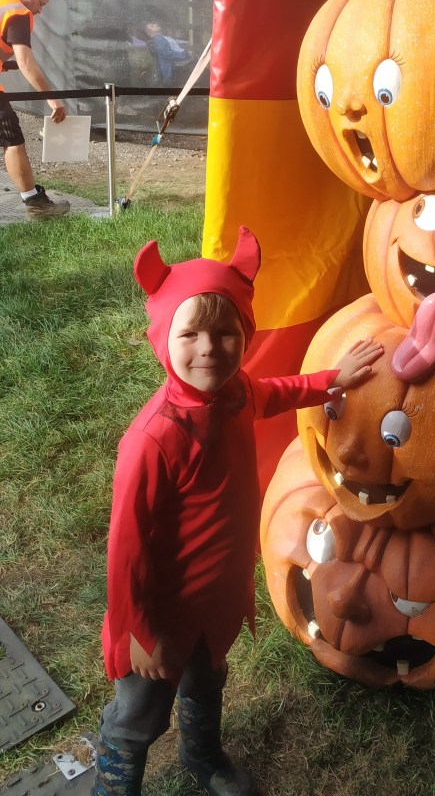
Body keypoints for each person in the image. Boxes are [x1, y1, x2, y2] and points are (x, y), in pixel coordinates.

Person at [92, 227, 383, 796]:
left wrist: (330, 382)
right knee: (138, 715)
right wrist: (139, 632)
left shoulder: (235, 393)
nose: (210, 348)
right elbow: (127, 546)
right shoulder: (153, 440)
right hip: (160, 610)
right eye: (192, 333)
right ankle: (112, 784)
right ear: (163, 339)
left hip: (216, 593)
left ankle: (203, 757)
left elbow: (275, 391)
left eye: (227, 333)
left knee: (206, 678)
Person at [0, 0, 70, 219]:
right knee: (12, 139)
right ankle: (36, 204)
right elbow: (26, 62)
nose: (40, 11)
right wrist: (53, 99)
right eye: (41, 3)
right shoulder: (16, 11)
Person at [144, 20, 194, 86]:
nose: (156, 24)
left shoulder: (162, 38)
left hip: (174, 70)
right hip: (172, 72)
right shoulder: (159, 39)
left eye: (155, 24)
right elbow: (167, 54)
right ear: (148, 32)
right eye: (152, 26)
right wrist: (186, 54)